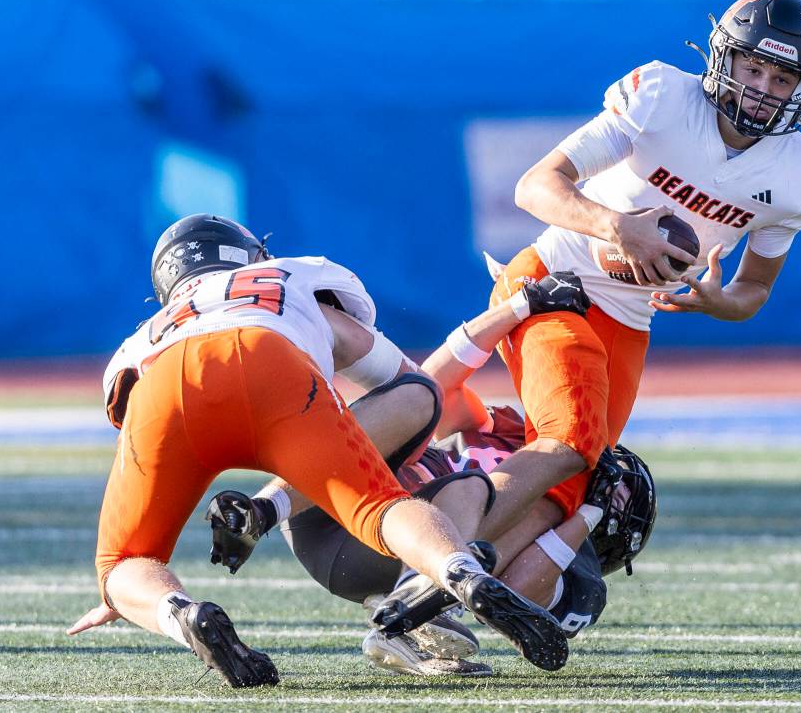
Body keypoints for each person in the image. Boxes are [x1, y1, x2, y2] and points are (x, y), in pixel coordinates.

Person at [65, 213, 569, 686]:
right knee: (380, 507)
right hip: (269, 358)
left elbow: (130, 420)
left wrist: (128, 589)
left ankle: (179, 613)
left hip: (159, 388)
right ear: (248, 255)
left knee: (123, 560)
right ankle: (457, 570)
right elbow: (404, 382)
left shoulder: (139, 338)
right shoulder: (288, 275)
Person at [470, 0, 801, 556]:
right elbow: (535, 186)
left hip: (629, 319)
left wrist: (721, 301)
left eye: (781, 79)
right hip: (551, 283)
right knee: (570, 440)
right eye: (754, 66)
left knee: (573, 483)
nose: (763, 89)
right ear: (725, 56)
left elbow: (755, 288)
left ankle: (450, 554)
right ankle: (434, 556)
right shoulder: (662, 97)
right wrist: (616, 226)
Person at [203, 274, 657, 675]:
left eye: (616, 489)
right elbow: (438, 381)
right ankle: (263, 509)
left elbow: (522, 589)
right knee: (418, 395)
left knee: (484, 503)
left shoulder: (568, 551)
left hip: (364, 552)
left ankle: (411, 601)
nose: (603, 464)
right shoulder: (511, 436)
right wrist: (518, 307)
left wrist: (584, 509)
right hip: (325, 490)